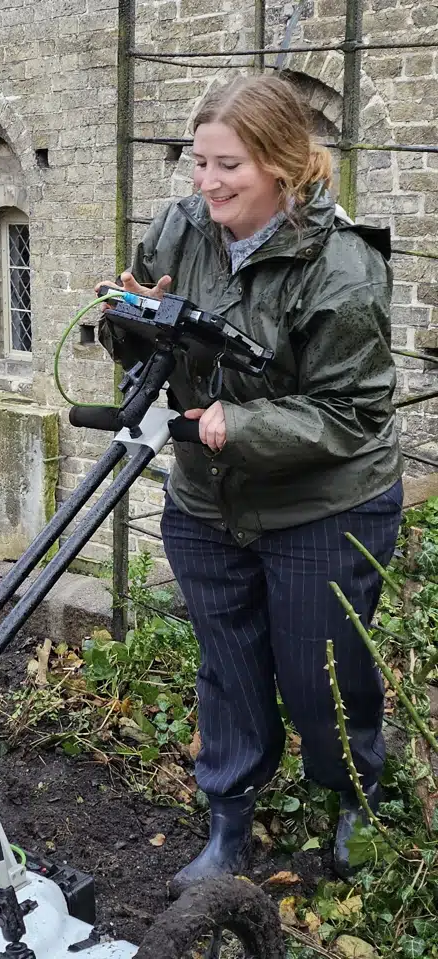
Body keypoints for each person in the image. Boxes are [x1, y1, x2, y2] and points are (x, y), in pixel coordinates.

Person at [97, 74, 404, 898]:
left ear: (281, 164)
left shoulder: (340, 265)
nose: (206, 182)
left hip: (326, 505)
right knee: (228, 665)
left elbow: (355, 412)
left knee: (321, 675)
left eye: (226, 164)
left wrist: (247, 424)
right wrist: (126, 317)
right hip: (208, 496)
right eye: (197, 161)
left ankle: (355, 794)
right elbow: (136, 330)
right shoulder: (180, 228)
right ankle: (229, 820)